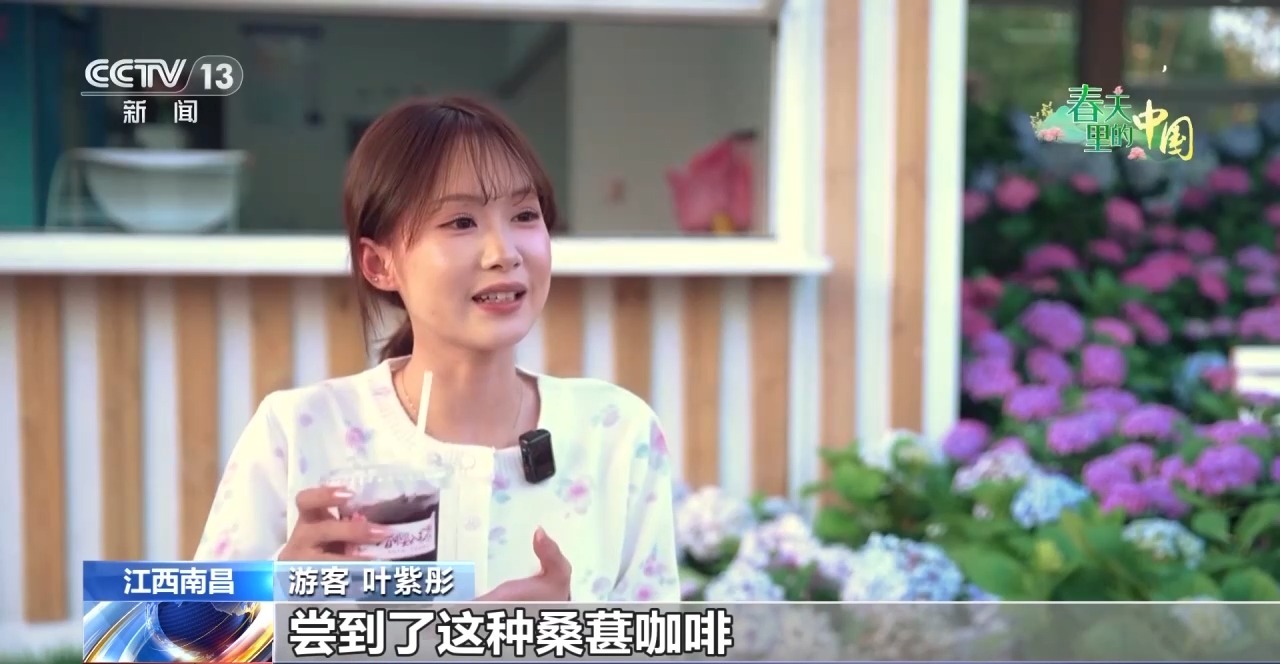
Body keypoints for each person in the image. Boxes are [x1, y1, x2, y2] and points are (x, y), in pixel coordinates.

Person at [193, 96, 680, 602]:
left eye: (524, 215)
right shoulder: (299, 431)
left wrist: (565, 635)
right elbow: (180, 638)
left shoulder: (615, 432)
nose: (504, 253)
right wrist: (277, 590)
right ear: (379, 264)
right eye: (461, 222)